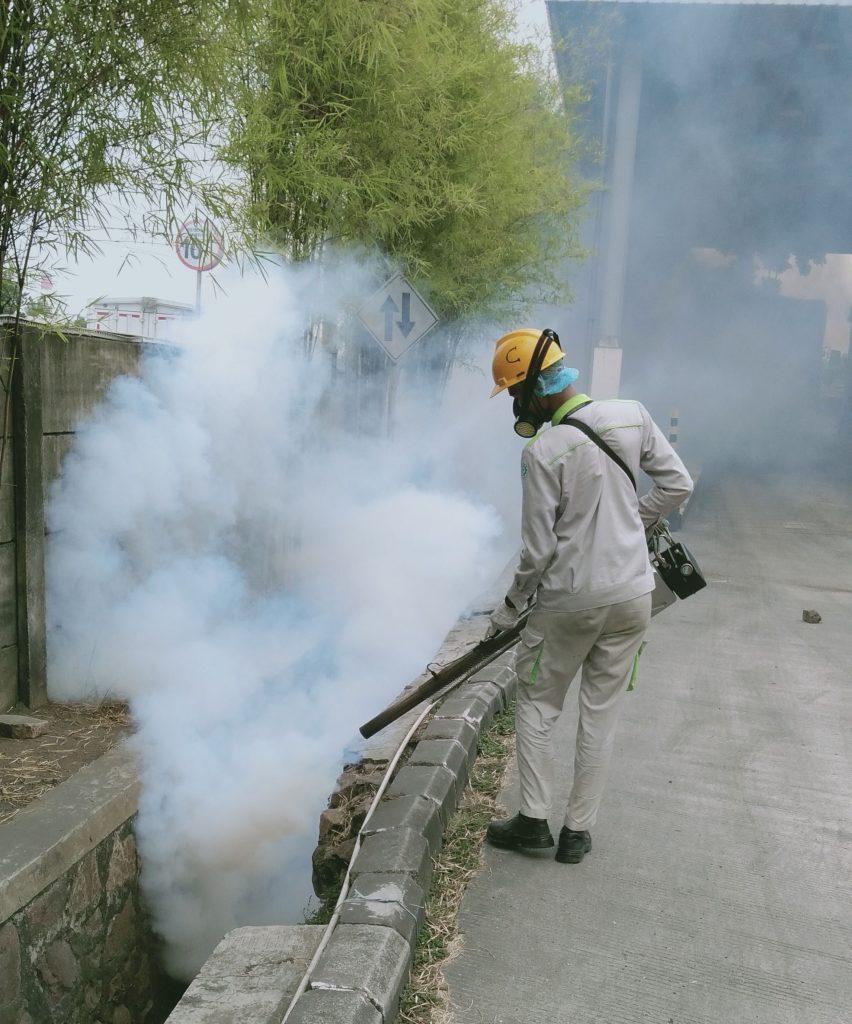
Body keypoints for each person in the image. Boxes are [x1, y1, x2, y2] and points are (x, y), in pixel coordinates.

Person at [485, 327, 693, 864]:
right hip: (633, 597)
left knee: (538, 703)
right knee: (601, 713)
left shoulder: (542, 451)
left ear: (534, 388)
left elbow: (537, 552)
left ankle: (534, 821)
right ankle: (578, 833)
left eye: (515, 393)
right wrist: (633, 521)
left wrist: (509, 609)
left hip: (570, 602)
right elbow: (679, 485)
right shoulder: (631, 415)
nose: (515, 404)